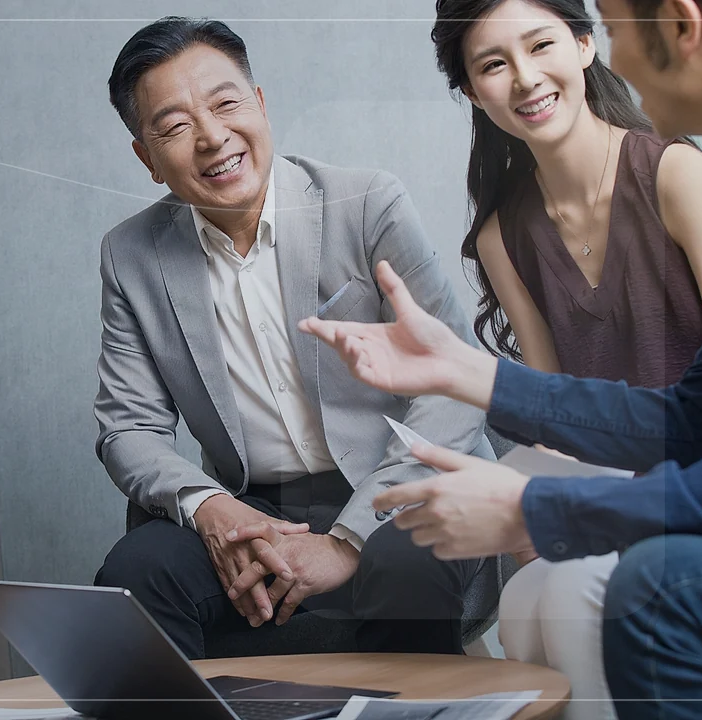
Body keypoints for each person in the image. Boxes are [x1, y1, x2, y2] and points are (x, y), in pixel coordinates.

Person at [299, 0, 702, 716]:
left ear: (680, 25)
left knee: (654, 592)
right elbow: (696, 415)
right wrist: (465, 371)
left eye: (610, 30)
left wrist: (536, 508)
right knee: (599, 590)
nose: (608, 53)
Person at [92, 16, 497, 660]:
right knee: (136, 573)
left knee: (402, 561)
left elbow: (455, 384)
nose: (212, 138)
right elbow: (127, 430)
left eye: (226, 104)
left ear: (260, 103)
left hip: (397, 486)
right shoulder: (131, 254)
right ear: (147, 158)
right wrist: (211, 508)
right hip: (257, 507)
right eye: (173, 127)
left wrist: (346, 540)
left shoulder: (366, 203)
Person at [429, 0, 702, 716]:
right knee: (523, 601)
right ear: (473, 91)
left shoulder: (676, 173)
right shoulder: (502, 236)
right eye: (493, 64)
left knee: (572, 594)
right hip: (603, 498)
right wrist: (520, 502)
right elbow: (550, 416)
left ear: (583, 45)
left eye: (541, 46)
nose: (526, 78)